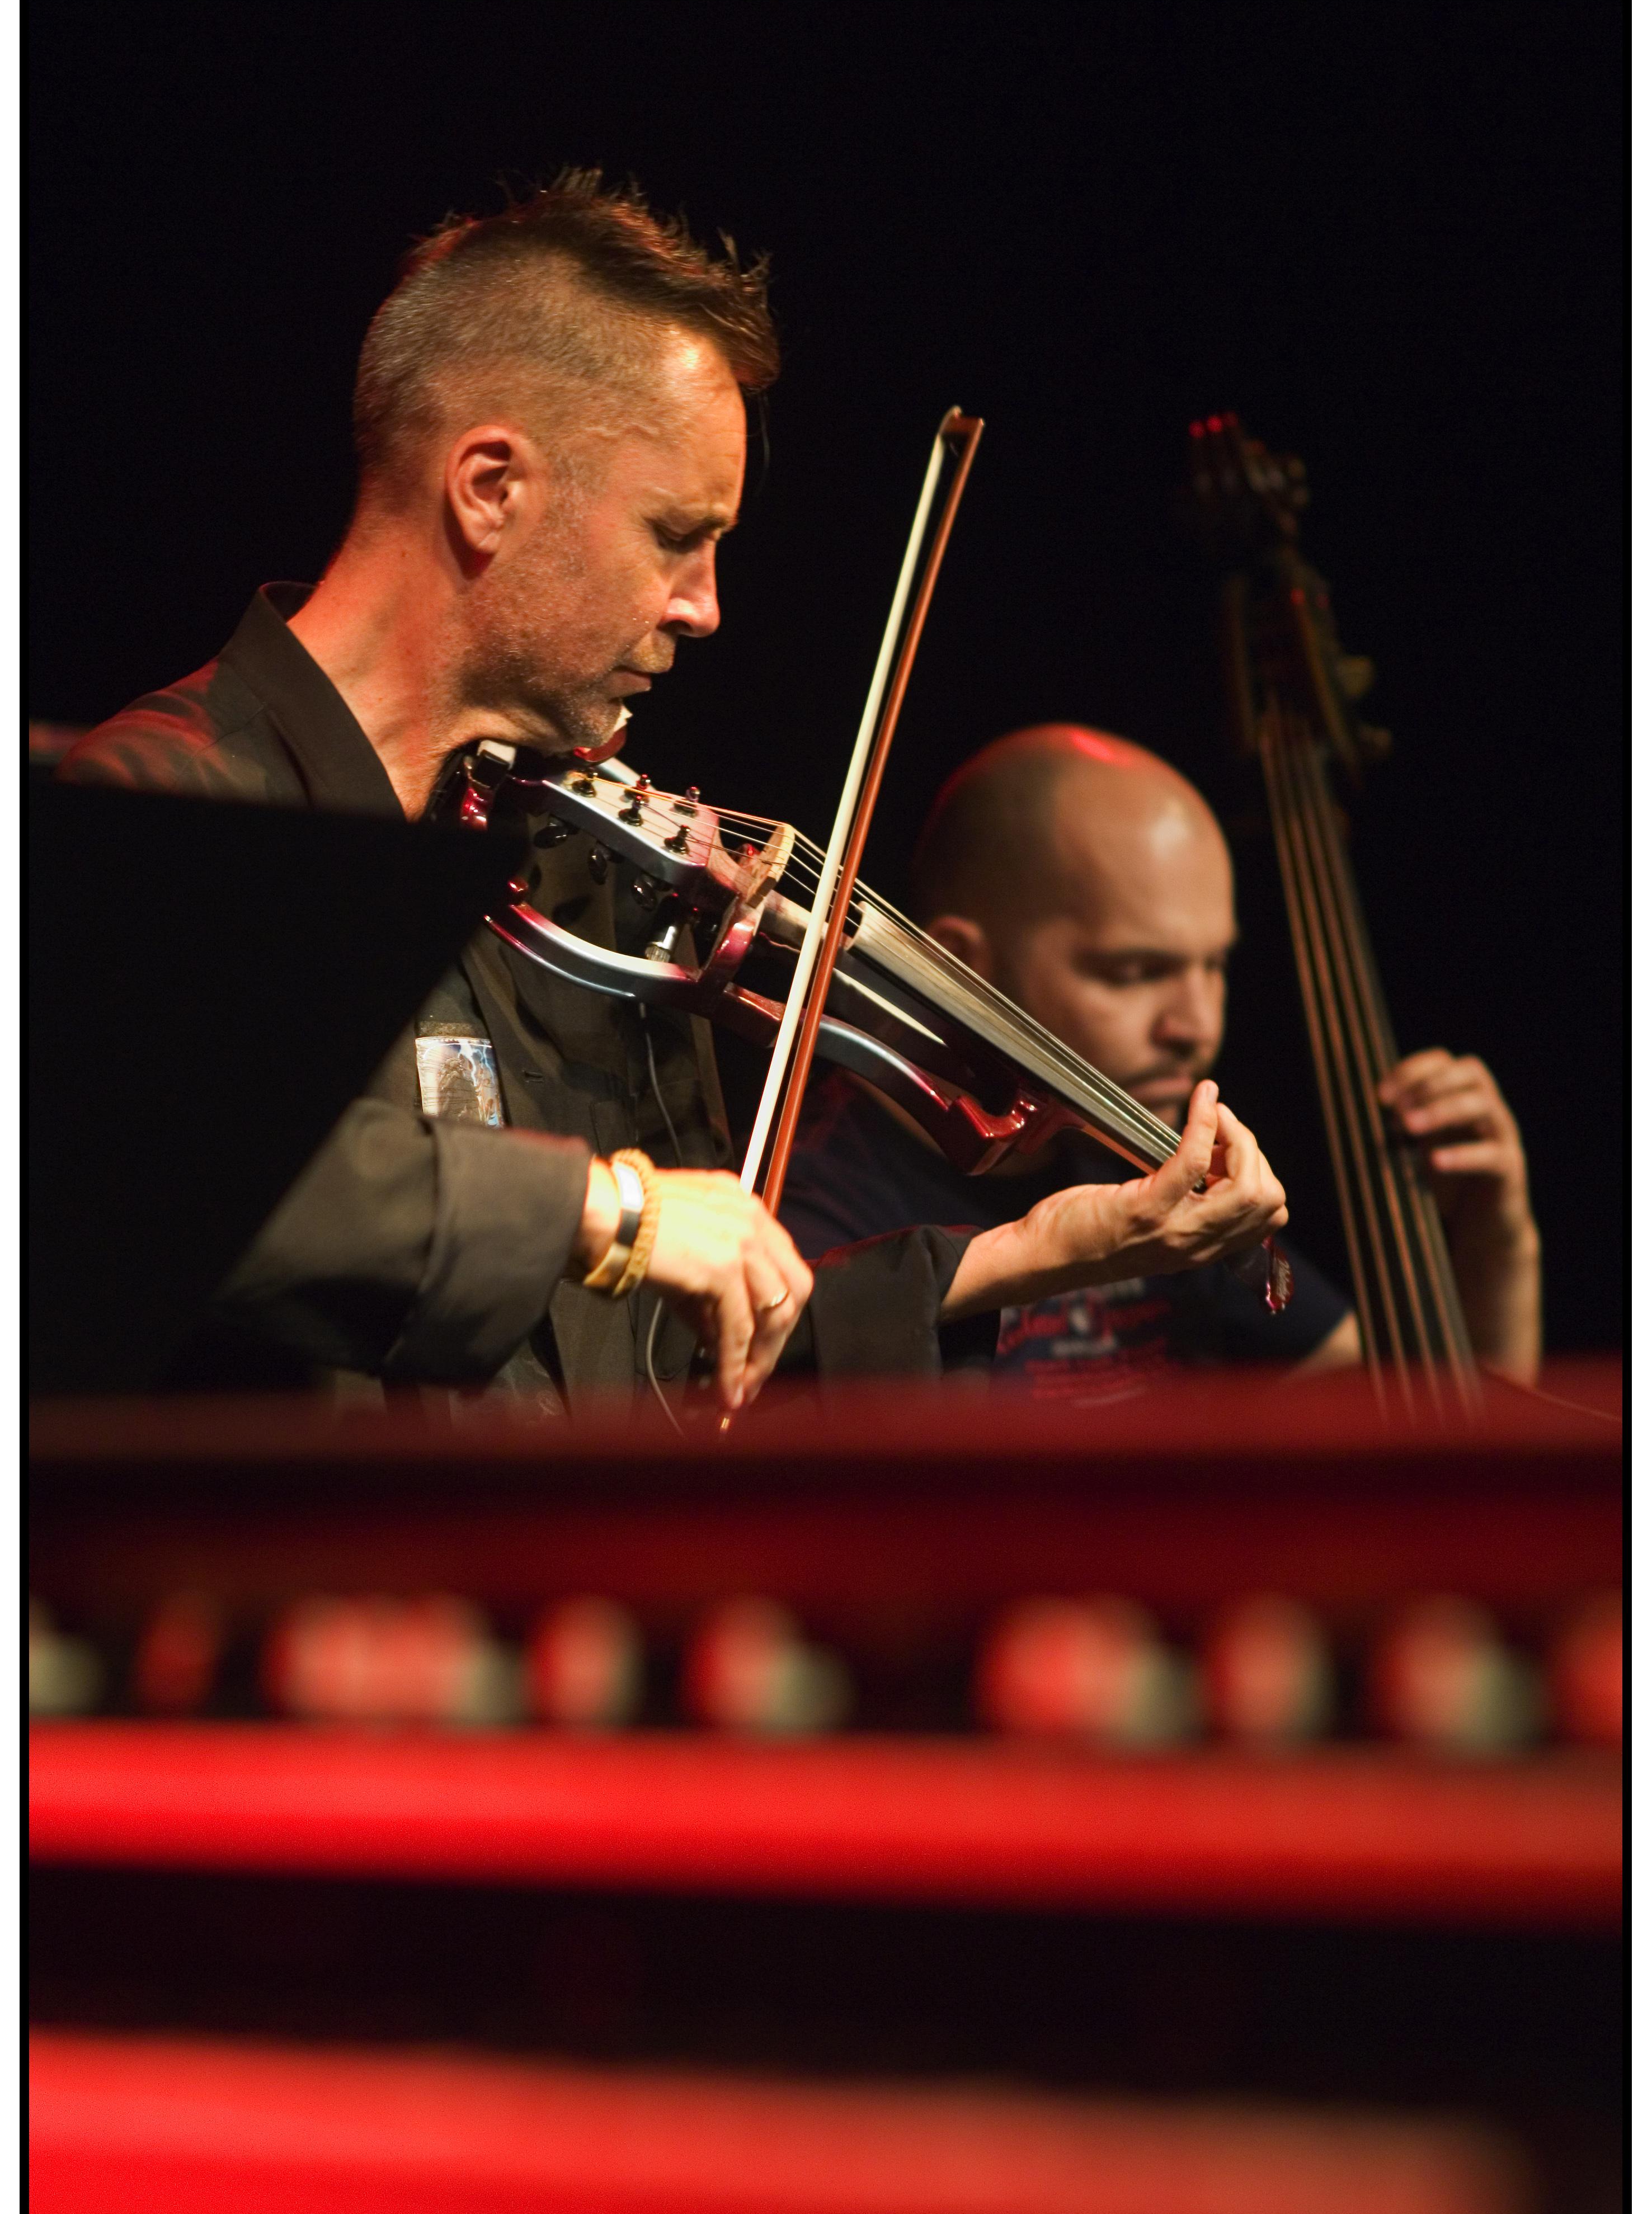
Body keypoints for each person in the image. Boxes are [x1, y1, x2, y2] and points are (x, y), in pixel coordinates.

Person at [59, 179, 1288, 1412]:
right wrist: (611, 1209)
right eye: (672, 534)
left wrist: (1036, 1253)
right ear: (489, 488)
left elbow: (653, 1370)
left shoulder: (579, 874)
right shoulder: (167, 802)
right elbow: (173, 1176)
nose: (705, 605)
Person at [781, 725, 1542, 1397]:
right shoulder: (813, 1220)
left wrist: (1499, 1246)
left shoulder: (1141, 1166)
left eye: (1214, 965)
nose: (1198, 1026)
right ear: (960, 969)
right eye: (1135, 972)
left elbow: (1431, 1450)